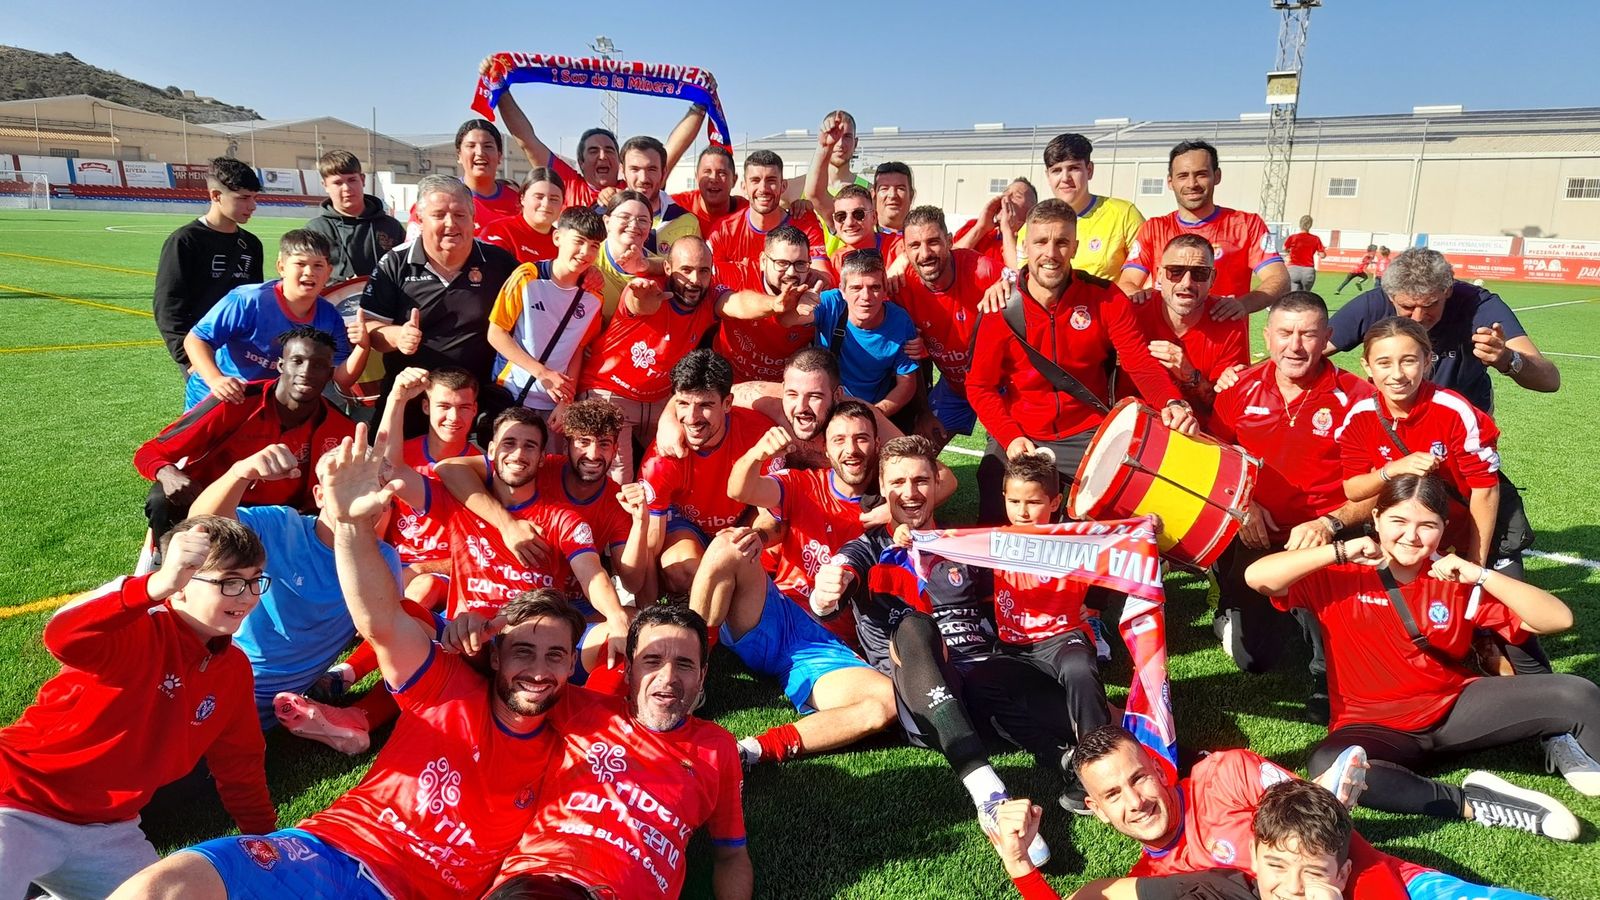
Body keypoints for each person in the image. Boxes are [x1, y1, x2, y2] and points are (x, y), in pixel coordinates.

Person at [111, 431, 581, 900]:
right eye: (523, 651)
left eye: (554, 655)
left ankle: (349, 712)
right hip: (314, 825)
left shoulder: (576, 732)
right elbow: (207, 530)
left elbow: (391, 618)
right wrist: (247, 475)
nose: (538, 668)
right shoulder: (280, 526)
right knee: (156, 853)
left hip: (261, 717)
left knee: (165, 783)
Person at [1246, 474, 1600, 837]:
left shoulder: (1453, 578)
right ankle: (1474, 802)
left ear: (1444, 528)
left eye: (1427, 525)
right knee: (1329, 763)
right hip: (1374, 728)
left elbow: (1557, 618)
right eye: (1398, 521)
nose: (1411, 536)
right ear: (1377, 519)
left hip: (1455, 710)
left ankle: (1568, 747)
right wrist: (1341, 549)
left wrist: (1480, 574)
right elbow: (1258, 577)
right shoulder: (1338, 574)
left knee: (1577, 694)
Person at [807, 436, 1052, 865]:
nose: (911, 492)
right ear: (882, 487)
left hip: (985, 687)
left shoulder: (960, 542)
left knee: (1068, 694)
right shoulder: (867, 548)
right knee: (916, 626)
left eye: (921, 480)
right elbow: (837, 580)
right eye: (898, 481)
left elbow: (1033, 560)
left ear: (938, 483)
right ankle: (989, 795)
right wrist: (825, 594)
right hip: (926, 704)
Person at [0, 518, 275, 899]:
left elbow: (240, 763)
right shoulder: (138, 628)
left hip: (110, 829)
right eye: (229, 581)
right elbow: (63, 636)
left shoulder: (234, 669)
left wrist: (266, 840)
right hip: (18, 800)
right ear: (179, 587)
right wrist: (154, 586)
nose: (246, 596)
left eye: (254, 580)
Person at [484, 605, 752, 899]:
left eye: (685, 664)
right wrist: (471, 631)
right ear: (629, 669)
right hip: (544, 880)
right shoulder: (579, 708)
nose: (668, 677)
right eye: (652, 660)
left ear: (702, 676)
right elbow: (504, 675)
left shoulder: (717, 747)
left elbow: (731, 854)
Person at [967, 199, 1194, 525]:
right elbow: (980, 386)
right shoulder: (1000, 305)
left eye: (1061, 242)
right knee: (995, 506)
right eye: (1041, 242)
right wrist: (1009, 435)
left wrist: (1171, 401)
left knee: (1105, 532)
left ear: (1074, 246)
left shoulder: (1106, 299)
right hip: (1022, 430)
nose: (1051, 253)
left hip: (1088, 431)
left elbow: (1139, 362)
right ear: (1025, 245)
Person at [1208, 293, 1375, 721]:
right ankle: (1234, 601)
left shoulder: (1357, 397)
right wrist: (1243, 504)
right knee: (1255, 661)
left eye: (1308, 334)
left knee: (1333, 615)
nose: (1295, 345)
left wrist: (1329, 523)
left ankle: (1329, 674)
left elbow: (1380, 486)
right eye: (1284, 333)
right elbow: (1212, 458)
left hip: (1327, 533)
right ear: (1267, 336)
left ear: (1328, 339)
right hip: (1255, 531)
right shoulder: (1238, 388)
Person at [187, 437, 403, 750]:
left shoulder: (380, 560)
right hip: (212, 670)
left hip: (264, 703)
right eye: (346, 484)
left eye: (373, 485)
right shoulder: (280, 525)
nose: (359, 494)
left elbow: (386, 634)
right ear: (319, 495)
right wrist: (240, 473)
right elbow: (204, 526)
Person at [135, 325, 356, 539]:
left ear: (329, 374)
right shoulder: (235, 402)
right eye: (297, 361)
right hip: (212, 508)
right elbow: (150, 451)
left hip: (281, 519)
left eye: (318, 365)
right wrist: (168, 474)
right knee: (162, 497)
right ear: (280, 365)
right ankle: (166, 566)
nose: (306, 372)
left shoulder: (342, 429)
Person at [990, 780, 1374, 900]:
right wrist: (1019, 866)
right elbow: (1095, 894)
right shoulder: (1213, 890)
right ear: (1255, 857)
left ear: (1341, 876)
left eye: (1314, 874)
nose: (1292, 889)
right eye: (1276, 865)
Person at [1339, 318, 1503, 573]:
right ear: (1367, 366)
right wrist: (1393, 469)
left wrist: (1474, 564)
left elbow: (1485, 490)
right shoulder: (1360, 416)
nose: (1397, 374)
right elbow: (1353, 489)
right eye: (1384, 363)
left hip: (1463, 540)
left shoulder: (1455, 411)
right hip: (1406, 541)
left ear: (1427, 361)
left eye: (1409, 361)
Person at [361, 174, 522, 431]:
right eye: (439, 215)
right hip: (411, 399)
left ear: (473, 219)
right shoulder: (394, 263)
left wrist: (585, 274)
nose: (451, 224)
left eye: (460, 215)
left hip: (475, 405)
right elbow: (368, 327)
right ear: (420, 220)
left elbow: (543, 284)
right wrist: (397, 336)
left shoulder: (499, 263)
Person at [1327, 247, 1561, 415]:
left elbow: (1549, 380)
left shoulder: (1479, 305)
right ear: (1390, 295)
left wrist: (1508, 358)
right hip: (1391, 420)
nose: (1418, 318)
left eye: (1430, 305)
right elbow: (1307, 352)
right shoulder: (1373, 303)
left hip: (1464, 422)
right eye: (1407, 307)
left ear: (1448, 291)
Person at [991, 452, 1112, 751]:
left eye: (1034, 502)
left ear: (1055, 502)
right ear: (1004, 496)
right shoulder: (991, 540)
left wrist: (1096, 601)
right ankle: (1058, 753)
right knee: (981, 684)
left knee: (1079, 670)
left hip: (1063, 638)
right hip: (1013, 646)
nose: (1023, 511)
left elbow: (1118, 551)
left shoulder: (1073, 541)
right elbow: (943, 543)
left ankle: (1098, 755)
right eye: (1014, 501)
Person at [577, 237, 724, 480]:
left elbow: (739, 303)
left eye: (703, 271)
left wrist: (776, 305)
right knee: (617, 479)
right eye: (685, 270)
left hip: (659, 400)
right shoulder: (648, 287)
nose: (695, 279)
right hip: (610, 391)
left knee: (680, 464)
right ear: (668, 269)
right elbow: (637, 303)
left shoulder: (705, 295)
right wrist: (643, 296)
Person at [181, 229, 367, 410]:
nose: (309, 272)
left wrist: (362, 347)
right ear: (281, 267)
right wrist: (215, 379)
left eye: (318, 265)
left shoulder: (329, 317)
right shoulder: (248, 301)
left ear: (328, 272)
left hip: (267, 404)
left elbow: (341, 378)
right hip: (213, 398)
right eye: (300, 264)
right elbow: (196, 339)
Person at [1117, 139, 1288, 335]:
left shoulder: (1246, 224)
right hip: (1163, 348)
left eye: (1201, 174)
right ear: (1170, 182)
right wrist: (1137, 295)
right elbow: (1127, 282)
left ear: (1217, 176)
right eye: (1183, 176)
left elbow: (1279, 278)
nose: (1192, 184)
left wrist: (1242, 304)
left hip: (1225, 349)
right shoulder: (1154, 228)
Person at [488, 57, 704, 209]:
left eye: (609, 150)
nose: (602, 156)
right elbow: (527, 140)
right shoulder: (568, 185)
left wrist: (701, 105)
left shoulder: (635, 186)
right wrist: (500, 88)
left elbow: (673, 148)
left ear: (620, 163)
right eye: (593, 151)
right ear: (581, 162)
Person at [640, 351, 771, 594]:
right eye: (683, 403)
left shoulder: (759, 434)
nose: (691, 418)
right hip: (685, 524)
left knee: (769, 552)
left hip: (744, 517)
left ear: (727, 403)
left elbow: (775, 510)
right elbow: (650, 547)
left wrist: (756, 535)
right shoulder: (660, 459)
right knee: (682, 569)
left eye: (705, 405)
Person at [893, 205, 1003, 442]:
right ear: (905, 251)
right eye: (914, 246)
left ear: (950, 241)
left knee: (1000, 472)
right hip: (955, 388)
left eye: (933, 242)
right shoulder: (899, 286)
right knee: (916, 456)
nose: (925, 253)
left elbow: (1023, 283)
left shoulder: (981, 270)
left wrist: (1008, 282)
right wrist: (923, 411)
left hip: (1001, 386)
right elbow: (909, 359)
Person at [486, 206, 607, 419]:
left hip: (553, 404)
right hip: (511, 392)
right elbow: (496, 333)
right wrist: (543, 374)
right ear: (558, 237)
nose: (585, 252)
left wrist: (565, 402)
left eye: (594, 246)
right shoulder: (527, 276)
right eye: (578, 241)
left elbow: (577, 350)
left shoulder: (594, 298)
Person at [153, 156, 263, 381]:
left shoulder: (251, 244)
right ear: (215, 196)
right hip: (201, 351)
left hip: (242, 352)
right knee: (210, 413)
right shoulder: (185, 241)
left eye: (254, 197)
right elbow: (168, 304)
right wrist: (188, 358)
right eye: (243, 198)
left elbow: (254, 303)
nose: (252, 206)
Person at [1118, 233, 1249, 415]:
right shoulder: (1132, 314)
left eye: (1199, 273)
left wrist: (1190, 375)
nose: (1186, 283)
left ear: (1212, 278)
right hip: (1134, 426)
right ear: (1160, 275)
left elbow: (1225, 408)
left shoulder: (1228, 323)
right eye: (1176, 272)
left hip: (1197, 434)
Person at [1010, 133, 1144, 281]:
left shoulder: (1123, 214)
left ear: (1090, 170)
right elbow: (1022, 279)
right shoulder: (1033, 225)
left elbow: (1146, 270)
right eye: (1056, 171)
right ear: (1048, 176)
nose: (1065, 178)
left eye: (1073, 168)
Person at [808, 250, 922, 416]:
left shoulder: (900, 321)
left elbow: (906, 384)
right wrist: (795, 305)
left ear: (885, 291)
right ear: (842, 291)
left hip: (874, 409)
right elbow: (791, 320)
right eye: (856, 288)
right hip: (825, 407)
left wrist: (873, 415)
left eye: (874, 287)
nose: (866, 296)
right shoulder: (829, 303)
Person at [710, 224, 824, 383]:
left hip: (781, 390)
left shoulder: (819, 294)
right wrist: (774, 304)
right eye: (782, 263)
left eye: (800, 264)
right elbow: (685, 271)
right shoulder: (737, 274)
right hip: (723, 377)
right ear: (763, 261)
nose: (791, 273)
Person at [706, 149, 828, 272]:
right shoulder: (723, 230)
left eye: (771, 181)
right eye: (755, 180)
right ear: (744, 187)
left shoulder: (805, 225)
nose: (763, 188)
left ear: (783, 186)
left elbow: (824, 277)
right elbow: (711, 282)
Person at [304, 149, 406, 283]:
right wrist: (345, 285)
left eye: (352, 180)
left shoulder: (391, 226)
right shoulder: (315, 230)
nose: (346, 188)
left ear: (362, 180)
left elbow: (407, 271)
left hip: (385, 302)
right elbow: (310, 275)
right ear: (325, 185)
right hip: (334, 301)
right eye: (338, 183)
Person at [618, 135, 702, 254]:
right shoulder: (607, 216)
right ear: (622, 171)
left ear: (663, 172)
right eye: (635, 169)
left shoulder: (687, 222)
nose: (643, 179)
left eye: (651, 169)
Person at [479, 166, 566, 265]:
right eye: (539, 197)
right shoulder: (500, 231)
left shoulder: (564, 242)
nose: (546, 204)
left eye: (554, 199)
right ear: (522, 198)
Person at [820, 184, 904, 282]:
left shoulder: (898, 247)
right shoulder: (837, 259)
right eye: (841, 216)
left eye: (859, 214)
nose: (849, 222)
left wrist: (905, 258)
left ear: (874, 217)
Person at [955, 178, 1038, 271]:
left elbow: (1019, 279)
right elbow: (949, 261)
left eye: (1017, 196)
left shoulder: (1033, 240)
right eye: (1005, 193)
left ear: (1031, 212)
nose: (1006, 198)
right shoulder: (974, 227)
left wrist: (1008, 232)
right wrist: (980, 228)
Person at [672, 144, 748, 235]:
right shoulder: (675, 205)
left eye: (721, 173)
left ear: (734, 180)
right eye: (707, 171)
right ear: (697, 177)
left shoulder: (748, 213)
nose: (713, 179)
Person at [1283, 215, 1326, 293]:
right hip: (1308, 270)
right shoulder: (1316, 239)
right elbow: (1322, 255)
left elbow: (1284, 248)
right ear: (1310, 225)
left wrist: (1290, 252)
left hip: (1293, 269)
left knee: (1293, 295)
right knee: (1305, 297)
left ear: (1300, 224)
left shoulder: (1293, 237)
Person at [873, 161, 915, 233]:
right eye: (884, 188)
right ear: (874, 196)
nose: (892, 195)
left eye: (900, 188)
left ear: (911, 195)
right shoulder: (860, 239)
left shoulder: (922, 240)